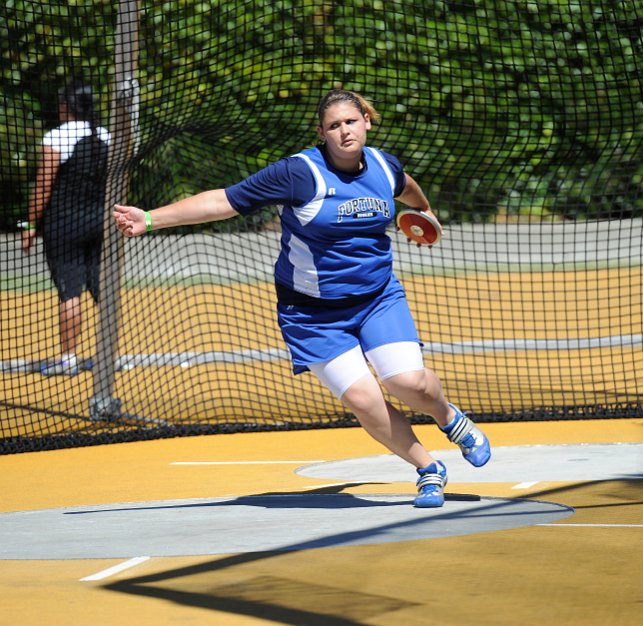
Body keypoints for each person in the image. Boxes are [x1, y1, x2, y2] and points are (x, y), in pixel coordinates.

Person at [113, 89, 490, 507]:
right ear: (322, 133)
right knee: (363, 399)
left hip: (377, 297)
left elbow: (408, 189)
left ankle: (449, 418)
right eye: (334, 126)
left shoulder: (385, 165)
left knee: (409, 383)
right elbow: (224, 200)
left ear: (367, 120)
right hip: (311, 312)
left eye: (351, 121)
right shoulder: (299, 173)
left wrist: (422, 218)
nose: (344, 131)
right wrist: (149, 219)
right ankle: (428, 469)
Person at [22, 80, 110, 376]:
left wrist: (30, 223)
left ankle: (68, 359)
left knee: (70, 292)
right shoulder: (106, 137)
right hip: (100, 222)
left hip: (64, 226)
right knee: (103, 290)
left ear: (65, 107)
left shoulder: (57, 138)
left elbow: (43, 187)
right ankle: (108, 355)